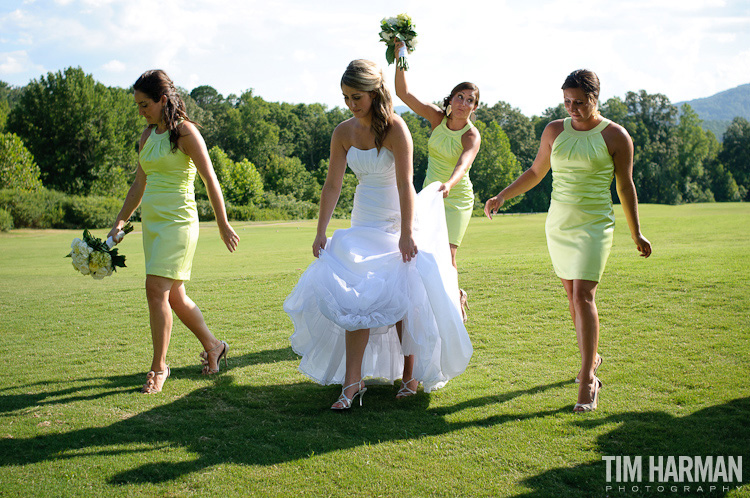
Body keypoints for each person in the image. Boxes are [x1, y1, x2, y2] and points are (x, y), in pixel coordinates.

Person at [284, 60, 472, 410]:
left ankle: (410, 372)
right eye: (345, 98)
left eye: (357, 96)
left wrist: (405, 233)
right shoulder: (342, 132)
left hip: (396, 219)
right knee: (356, 295)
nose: (351, 104)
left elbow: (405, 184)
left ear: (374, 93)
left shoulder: (397, 129)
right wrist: (321, 231)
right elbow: (332, 184)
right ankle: (352, 381)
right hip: (363, 220)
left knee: (402, 294)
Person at [484, 69, 652, 413]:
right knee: (573, 302)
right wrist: (502, 196)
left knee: (583, 294)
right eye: (567, 101)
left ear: (595, 98)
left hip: (594, 225)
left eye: (579, 102)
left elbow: (625, 187)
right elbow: (535, 172)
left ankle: (588, 378)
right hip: (559, 225)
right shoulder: (554, 131)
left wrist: (636, 232)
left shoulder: (616, 136)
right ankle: (593, 357)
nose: (572, 108)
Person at [108, 69, 239, 394]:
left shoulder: (186, 133)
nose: (140, 111)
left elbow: (210, 179)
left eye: (144, 104)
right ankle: (214, 346)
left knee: (155, 290)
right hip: (153, 225)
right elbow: (140, 183)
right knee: (176, 297)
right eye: (137, 105)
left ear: (162, 99)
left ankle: (159, 367)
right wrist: (121, 220)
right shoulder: (146, 136)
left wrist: (222, 223)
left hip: (179, 223)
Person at [393, 40, 481, 321]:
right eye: (460, 97)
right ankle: (437, 302)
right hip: (429, 195)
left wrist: (450, 185)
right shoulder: (435, 118)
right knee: (422, 253)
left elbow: (463, 164)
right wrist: (401, 56)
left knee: (448, 254)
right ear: (451, 98)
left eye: (470, 100)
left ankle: (453, 310)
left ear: (474, 107)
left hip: (456, 198)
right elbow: (403, 93)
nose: (463, 103)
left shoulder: (471, 135)